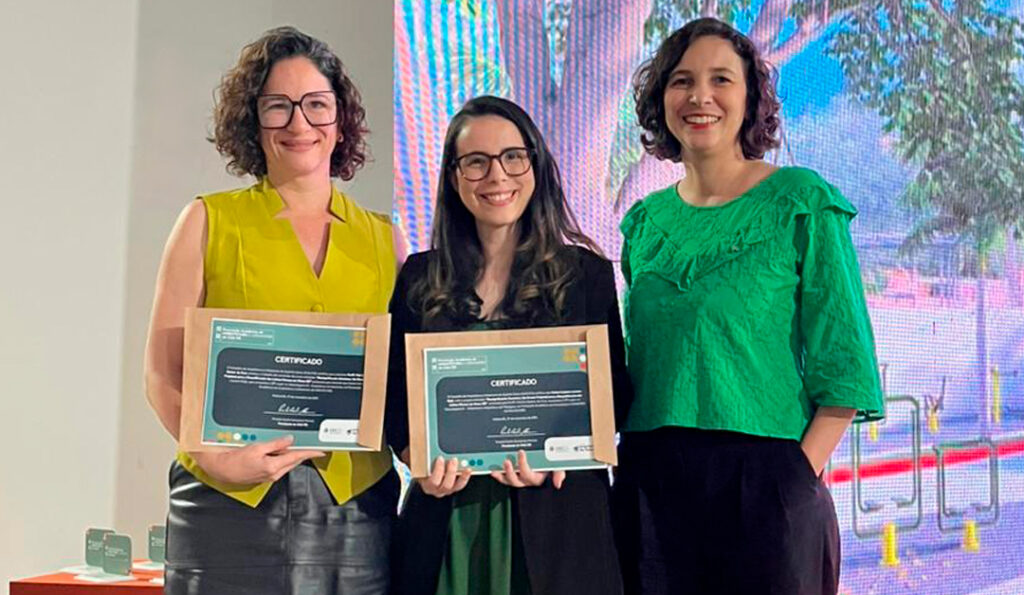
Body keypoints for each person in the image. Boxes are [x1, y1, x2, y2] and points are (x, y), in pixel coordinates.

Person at [614, 17, 885, 595]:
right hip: (650, 486)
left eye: (721, 79)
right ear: (661, 100)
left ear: (752, 98)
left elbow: (846, 365)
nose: (700, 96)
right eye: (682, 81)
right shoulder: (643, 223)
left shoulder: (801, 200)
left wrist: (794, 477)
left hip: (768, 485)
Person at [144, 26, 398, 595]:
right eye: (278, 106)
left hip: (356, 512)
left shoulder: (387, 240)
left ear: (341, 120)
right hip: (226, 505)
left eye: (316, 105)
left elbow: (403, 383)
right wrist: (213, 460)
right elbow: (162, 374)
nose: (299, 123)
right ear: (253, 121)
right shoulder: (208, 221)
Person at [385, 95, 631, 595]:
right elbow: (392, 401)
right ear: (454, 178)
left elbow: (614, 398)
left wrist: (560, 456)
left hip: (559, 525)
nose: (497, 176)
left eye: (513, 157)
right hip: (449, 524)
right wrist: (418, 462)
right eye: (476, 162)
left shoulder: (585, 276)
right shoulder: (419, 278)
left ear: (535, 165)